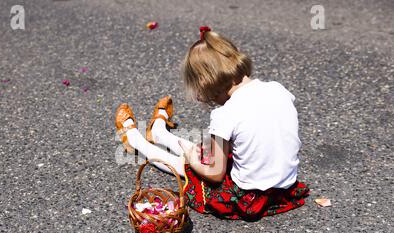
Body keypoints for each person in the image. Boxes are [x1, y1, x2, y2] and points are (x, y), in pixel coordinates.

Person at [115, 26, 309, 220]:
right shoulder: (278, 89)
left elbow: (215, 174)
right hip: (284, 189)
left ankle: (137, 142)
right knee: (206, 152)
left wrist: (192, 160)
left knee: (188, 164)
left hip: (251, 198)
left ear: (208, 84)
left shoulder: (226, 113)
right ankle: (158, 134)